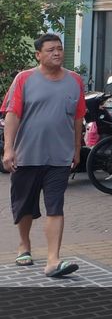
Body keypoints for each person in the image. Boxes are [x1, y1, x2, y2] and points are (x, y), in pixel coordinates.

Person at [1, 34, 85, 278]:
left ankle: (52, 260)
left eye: (59, 49)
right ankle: (24, 245)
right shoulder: (24, 79)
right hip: (27, 155)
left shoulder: (75, 81)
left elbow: (78, 117)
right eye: (50, 50)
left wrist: (77, 149)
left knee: (55, 207)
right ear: (38, 54)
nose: (57, 53)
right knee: (24, 205)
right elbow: (12, 115)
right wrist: (9, 149)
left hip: (60, 157)